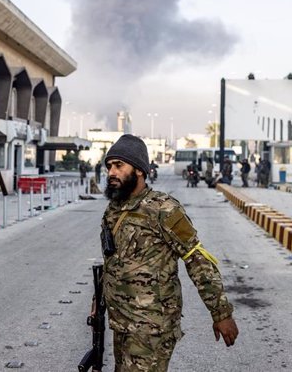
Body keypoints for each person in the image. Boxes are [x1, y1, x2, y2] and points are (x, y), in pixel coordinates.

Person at [99, 134, 238, 371]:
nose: (112, 172)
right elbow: (113, 262)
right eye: (109, 166)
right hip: (122, 323)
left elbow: (197, 259)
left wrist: (220, 313)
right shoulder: (114, 210)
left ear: (140, 171)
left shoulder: (163, 209)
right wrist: (99, 300)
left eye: (119, 165)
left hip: (152, 327)